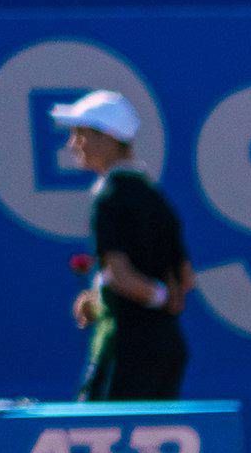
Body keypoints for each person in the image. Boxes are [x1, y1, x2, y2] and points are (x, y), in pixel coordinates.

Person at [55, 91, 191, 406]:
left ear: (108, 137)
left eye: (80, 134)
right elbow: (185, 279)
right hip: (167, 349)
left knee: (100, 446)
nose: (72, 144)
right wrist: (103, 300)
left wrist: (155, 297)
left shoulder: (108, 198)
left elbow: (119, 276)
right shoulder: (157, 198)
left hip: (126, 351)